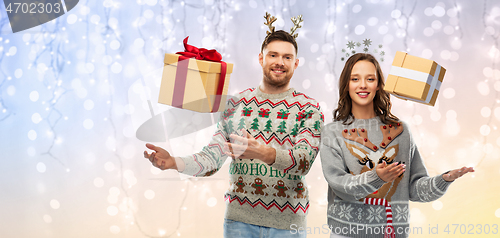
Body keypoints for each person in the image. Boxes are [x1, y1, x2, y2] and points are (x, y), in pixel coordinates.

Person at [144, 29, 323, 238]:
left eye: (287, 57)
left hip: (288, 226)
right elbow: (212, 158)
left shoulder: (308, 108)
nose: (279, 62)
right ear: (260, 58)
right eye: (273, 55)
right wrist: (174, 162)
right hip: (239, 224)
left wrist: (262, 152)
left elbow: (304, 162)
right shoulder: (236, 104)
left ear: (296, 63)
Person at [320, 53, 474, 238]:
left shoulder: (401, 131)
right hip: (347, 233)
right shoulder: (332, 132)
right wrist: (377, 177)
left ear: (378, 85)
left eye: (370, 79)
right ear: (346, 85)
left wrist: (444, 180)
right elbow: (340, 186)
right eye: (355, 79)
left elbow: (414, 189)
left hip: (392, 232)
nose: (363, 85)